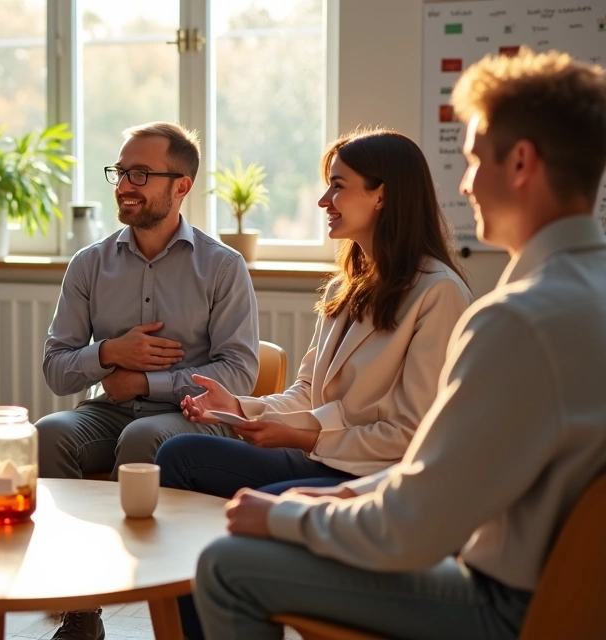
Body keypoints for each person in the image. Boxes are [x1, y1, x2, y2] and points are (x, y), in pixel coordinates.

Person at [194, 48, 606, 640]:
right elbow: (445, 471)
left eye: (472, 161)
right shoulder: (579, 297)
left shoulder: (517, 320)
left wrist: (285, 515)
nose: (464, 185)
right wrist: (325, 499)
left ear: (520, 162)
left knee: (225, 564)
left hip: (513, 606)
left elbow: (414, 526)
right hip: (574, 598)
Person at [157, 128, 473, 638]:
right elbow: (307, 391)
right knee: (177, 457)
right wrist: (238, 405)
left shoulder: (439, 295)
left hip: (368, 473)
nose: (324, 200)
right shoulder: (350, 286)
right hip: (320, 453)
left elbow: (412, 437)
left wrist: (300, 436)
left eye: (337, 186)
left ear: (382, 194)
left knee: (247, 515)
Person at [37, 122, 259, 640]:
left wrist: (146, 382)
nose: (123, 185)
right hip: (106, 409)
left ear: (181, 186)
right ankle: (81, 607)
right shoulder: (89, 264)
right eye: (120, 171)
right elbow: (55, 366)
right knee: (48, 430)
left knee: (143, 438)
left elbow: (240, 372)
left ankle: (138, 585)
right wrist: (110, 352)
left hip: (191, 417)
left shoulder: (223, 267)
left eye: (141, 173)